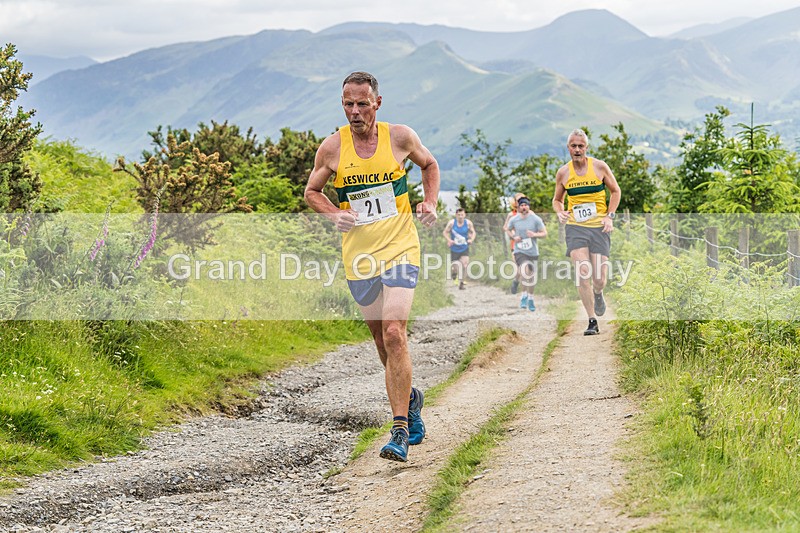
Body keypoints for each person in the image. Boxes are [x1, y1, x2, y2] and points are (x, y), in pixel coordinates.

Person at [304, 71, 439, 462]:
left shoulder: (400, 138)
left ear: (377, 102)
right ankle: (409, 397)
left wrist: (429, 203)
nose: (355, 111)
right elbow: (312, 192)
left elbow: (429, 165)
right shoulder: (332, 149)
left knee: (396, 333)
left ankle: (399, 429)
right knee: (382, 342)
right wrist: (333, 214)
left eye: (362, 103)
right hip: (360, 256)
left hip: (400, 247)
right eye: (348, 104)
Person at [552, 128, 621, 335]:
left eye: (581, 146)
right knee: (583, 272)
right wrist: (560, 212)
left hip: (599, 227)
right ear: (568, 148)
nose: (577, 149)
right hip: (576, 228)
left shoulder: (599, 167)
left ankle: (598, 293)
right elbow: (557, 200)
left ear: (587, 148)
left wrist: (610, 216)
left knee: (599, 278)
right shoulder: (563, 173)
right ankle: (592, 320)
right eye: (573, 146)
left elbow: (615, 191)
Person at [505, 196, 547, 311]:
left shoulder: (535, 219)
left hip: (532, 251)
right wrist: (514, 236)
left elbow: (544, 233)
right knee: (524, 271)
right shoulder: (514, 219)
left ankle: (530, 298)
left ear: (529, 206)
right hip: (519, 250)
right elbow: (507, 229)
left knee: (531, 277)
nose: (524, 207)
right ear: (518, 207)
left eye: (526, 205)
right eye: (522, 205)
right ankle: (523, 296)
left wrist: (534, 235)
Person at [442, 207, 476, 290]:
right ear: (456, 215)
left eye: (462, 215)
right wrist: (449, 240)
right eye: (459, 215)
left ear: (465, 215)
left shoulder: (468, 223)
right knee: (455, 267)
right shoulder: (452, 223)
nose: (460, 216)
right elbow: (445, 232)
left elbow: (473, 232)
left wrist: (471, 239)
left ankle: (461, 283)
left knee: (465, 264)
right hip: (454, 248)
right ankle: (454, 273)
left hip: (464, 247)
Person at [503, 192, 526, 294]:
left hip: (528, 244)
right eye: (518, 200)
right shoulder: (511, 215)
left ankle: (517, 283)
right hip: (515, 244)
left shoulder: (529, 214)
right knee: (519, 266)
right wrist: (513, 234)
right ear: (515, 203)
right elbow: (505, 227)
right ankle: (519, 286)